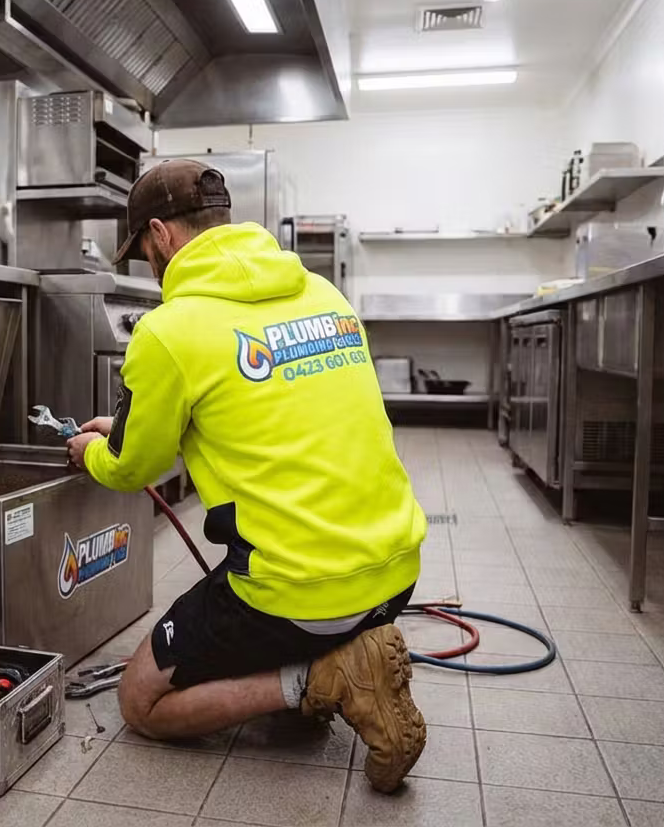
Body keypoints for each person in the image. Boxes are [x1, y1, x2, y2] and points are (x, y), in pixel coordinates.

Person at [66, 159, 428, 793]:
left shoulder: (168, 330)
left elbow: (133, 467)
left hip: (301, 593)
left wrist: (89, 453)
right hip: (395, 572)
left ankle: (324, 678)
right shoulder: (323, 293)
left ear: (160, 235)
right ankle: (344, 649)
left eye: (144, 252)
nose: (150, 266)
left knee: (140, 703)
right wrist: (128, 424)